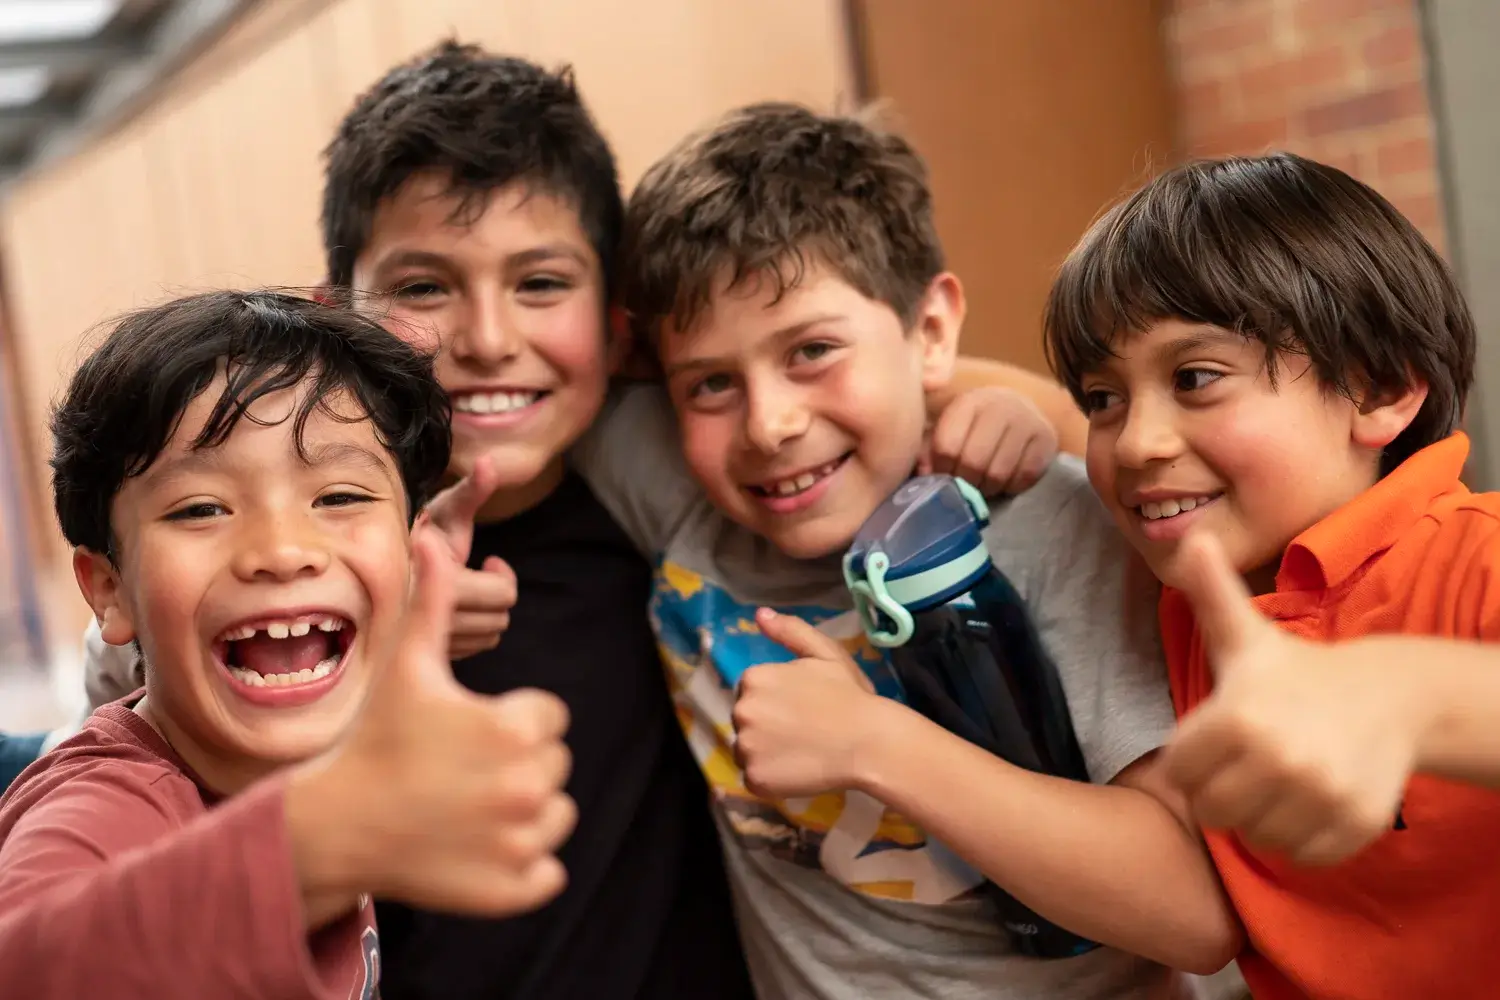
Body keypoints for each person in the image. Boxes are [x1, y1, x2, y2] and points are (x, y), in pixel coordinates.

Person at [65, 43, 1083, 998]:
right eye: (423, 287)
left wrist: (998, 407)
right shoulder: (302, 556)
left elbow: (852, 394)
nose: (489, 339)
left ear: (616, 328)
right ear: (345, 312)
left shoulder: (667, 461)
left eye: (542, 283)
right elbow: (137, 679)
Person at [565, 101, 1241, 999]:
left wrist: (873, 744)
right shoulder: (681, 487)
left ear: (930, 332)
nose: (770, 425)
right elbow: (517, 364)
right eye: (712, 383)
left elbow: (1194, 915)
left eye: (812, 351)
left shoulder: (1043, 527)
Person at [0, 290, 576, 998]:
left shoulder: (349, 739)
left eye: (339, 497)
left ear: (409, 546)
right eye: (201, 508)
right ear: (110, 589)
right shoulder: (110, 801)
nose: (282, 550)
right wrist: (323, 840)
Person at [1044, 151, 1500, 1000]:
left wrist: (1404, 696)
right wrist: (974, 403)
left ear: (1377, 387)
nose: (1137, 442)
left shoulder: (1476, 554)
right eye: (1103, 398)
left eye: (1196, 378)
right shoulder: (1194, 587)